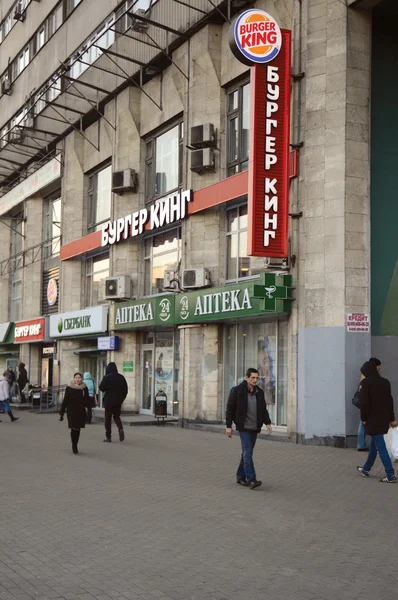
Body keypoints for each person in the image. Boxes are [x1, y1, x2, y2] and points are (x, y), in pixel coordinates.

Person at [226, 367, 272, 489]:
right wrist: (228, 426)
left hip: (254, 427)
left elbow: (263, 410)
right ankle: (252, 479)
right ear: (247, 378)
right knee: (248, 452)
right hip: (244, 427)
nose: (255, 380)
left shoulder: (259, 392)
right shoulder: (237, 391)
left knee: (246, 453)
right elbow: (230, 409)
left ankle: (240, 476)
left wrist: (267, 423)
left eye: (257, 378)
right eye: (252, 378)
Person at [357, 361, 398, 483]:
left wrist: (363, 418)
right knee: (375, 444)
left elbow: (364, 404)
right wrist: (392, 419)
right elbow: (390, 402)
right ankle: (366, 469)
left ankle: (390, 474)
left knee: (380, 445)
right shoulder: (385, 382)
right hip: (384, 419)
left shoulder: (365, 383)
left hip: (372, 419)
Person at [59, 372, 90, 455]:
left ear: (82, 379)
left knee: (78, 428)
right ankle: (74, 445)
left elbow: (87, 399)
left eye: (79, 378)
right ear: (74, 378)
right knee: (74, 428)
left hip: (80, 411)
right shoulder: (69, 388)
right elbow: (66, 400)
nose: (78, 379)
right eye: (76, 377)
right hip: (71, 411)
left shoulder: (84, 388)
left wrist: (87, 407)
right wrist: (62, 411)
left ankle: (75, 443)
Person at [356, 357, 381, 452]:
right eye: (378, 367)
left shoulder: (364, 374)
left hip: (365, 402)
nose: (380, 369)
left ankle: (361, 444)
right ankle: (365, 445)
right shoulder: (368, 376)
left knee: (363, 422)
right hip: (368, 402)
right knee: (365, 422)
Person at [99, 362, 128, 443]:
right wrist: (121, 399)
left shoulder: (106, 377)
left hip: (108, 401)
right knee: (116, 416)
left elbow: (101, 388)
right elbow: (125, 390)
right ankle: (120, 429)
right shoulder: (121, 377)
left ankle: (108, 437)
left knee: (108, 419)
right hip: (118, 402)